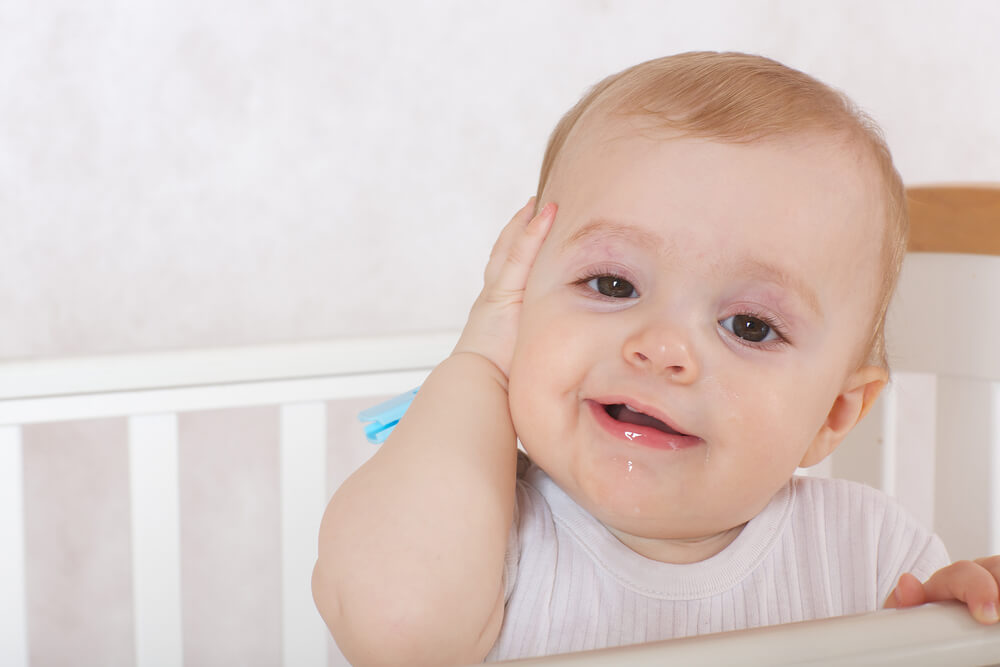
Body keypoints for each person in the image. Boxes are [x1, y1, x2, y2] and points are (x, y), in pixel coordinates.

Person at [312, 52, 1000, 665]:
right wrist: (479, 365)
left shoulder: (873, 553)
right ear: (517, 303)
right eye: (613, 284)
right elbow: (399, 632)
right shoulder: (475, 525)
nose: (663, 347)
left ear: (835, 412)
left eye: (750, 326)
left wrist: (946, 633)